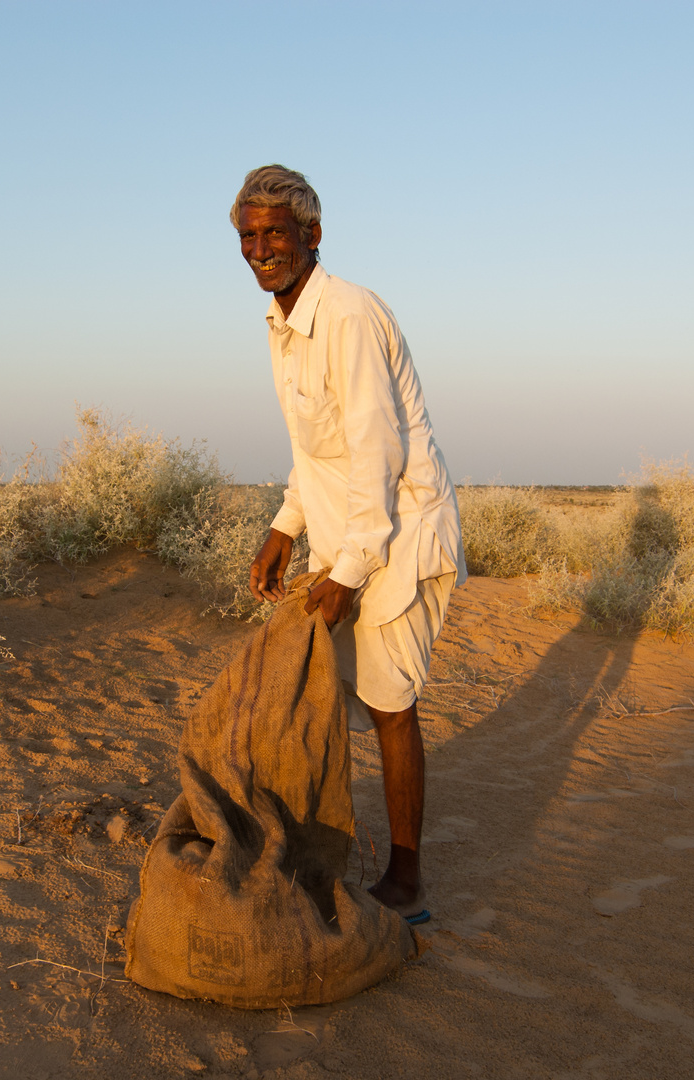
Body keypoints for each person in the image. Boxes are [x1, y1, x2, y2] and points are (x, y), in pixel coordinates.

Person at [234, 164, 465, 925]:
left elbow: (374, 450)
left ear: (312, 235)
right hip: (344, 539)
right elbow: (315, 454)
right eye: (247, 236)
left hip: (398, 538)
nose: (260, 248)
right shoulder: (281, 326)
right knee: (321, 697)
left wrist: (353, 569)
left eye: (274, 233)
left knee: (389, 704)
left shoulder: (351, 315)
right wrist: (283, 529)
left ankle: (406, 881)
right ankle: (313, 850)